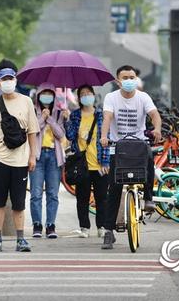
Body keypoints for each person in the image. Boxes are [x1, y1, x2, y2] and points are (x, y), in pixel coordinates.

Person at [0, 59, 39, 252]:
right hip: (0, 160)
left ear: (15, 80)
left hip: (21, 161)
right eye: (3, 79)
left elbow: (32, 131)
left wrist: (32, 156)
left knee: (19, 203)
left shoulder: (26, 101)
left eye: (10, 79)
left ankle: (21, 239)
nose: (7, 82)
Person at [100, 65, 162, 250]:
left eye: (132, 77)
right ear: (118, 81)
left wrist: (157, 128)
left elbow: (154, 115)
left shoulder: (143, 97)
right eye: (125, 77)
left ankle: (149, 198)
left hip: (139, 144)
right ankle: (108, 232)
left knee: (149, 158)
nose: (129, 80)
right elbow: (107, 118)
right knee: (114, 189)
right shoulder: (111, 97)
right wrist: (104, 136)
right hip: (117, 147)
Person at [65, 85, 109, 239]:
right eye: (82, 94)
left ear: (93, 95)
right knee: (82, 198)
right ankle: (84, 227)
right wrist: (66, 120)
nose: (85, 96)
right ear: (78, 98)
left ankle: (101, 226)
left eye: (88, 93)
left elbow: (106, 139)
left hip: (99, 163)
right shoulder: (75, 115)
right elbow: (70, 136)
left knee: (101, 198)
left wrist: (106, 162)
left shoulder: (101, 115)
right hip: (81, 164)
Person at [30, 83, 67, 239]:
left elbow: (60, 134)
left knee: (53, 194)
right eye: (43, 93)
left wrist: (50, 119)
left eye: (49, 93)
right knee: (36, 193)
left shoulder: (59, 113)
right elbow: (31, 130)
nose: (47, 96)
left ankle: (50, 225)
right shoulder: (32, 111)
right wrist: (42, 118)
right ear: (38, 95)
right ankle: (37, 225)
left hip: (54, 156)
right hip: (37, 156)